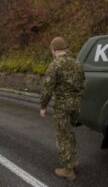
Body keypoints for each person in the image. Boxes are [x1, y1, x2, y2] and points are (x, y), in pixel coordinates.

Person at [40, 37, 85, 181]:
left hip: (62, 106)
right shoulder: (77, 63)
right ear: (65, 49)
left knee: (62, 136)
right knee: (69, 133)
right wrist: (77, 99)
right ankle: (73, 160)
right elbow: (83, 84)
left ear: (53, 50)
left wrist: (43, 106)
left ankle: (68, 170)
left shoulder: (55, 65)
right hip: (75, 104)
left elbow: (47, 89)